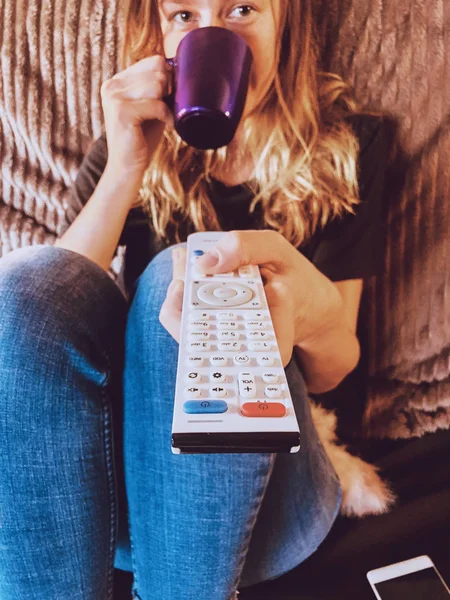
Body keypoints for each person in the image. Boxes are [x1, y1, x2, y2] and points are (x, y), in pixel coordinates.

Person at [0, 0, 388, 599]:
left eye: (240, 9)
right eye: (184, 15)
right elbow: (44, 317)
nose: (210, 33)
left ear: (286, 23)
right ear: (159, 33)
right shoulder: (126, 153)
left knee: (187, 276)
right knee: (22, 281)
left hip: (274, 488)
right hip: (120, 490)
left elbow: (335, 369)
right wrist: (126, 167)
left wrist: (303, 302)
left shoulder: (345, 149)